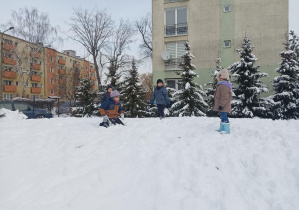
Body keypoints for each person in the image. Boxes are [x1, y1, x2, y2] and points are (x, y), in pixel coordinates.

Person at [213, 69, 232, 134]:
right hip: (222, 106)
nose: (217, 78)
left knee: (224, 116)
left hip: (224, 106)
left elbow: (224, 97)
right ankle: (222, 128)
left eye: (218, 77)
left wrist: (221, 105)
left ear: (221, 78)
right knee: (222, 116)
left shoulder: (223, 86)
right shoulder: (221, 85)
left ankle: (227, 130)